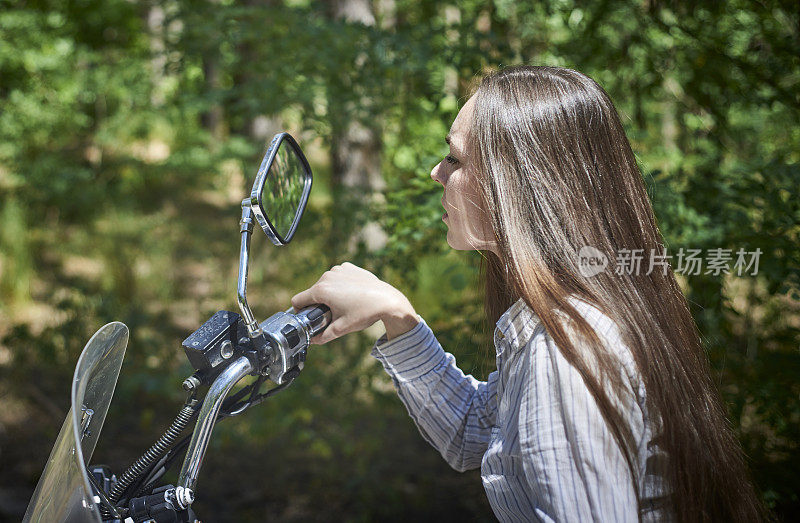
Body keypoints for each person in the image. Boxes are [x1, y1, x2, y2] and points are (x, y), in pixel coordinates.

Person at [291, 66, 764, 522]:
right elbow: (475, 431)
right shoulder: (570, 317)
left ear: (517, 184)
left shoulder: (567, 352)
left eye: (455, 158)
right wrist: (396, 315)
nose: (437, 172)